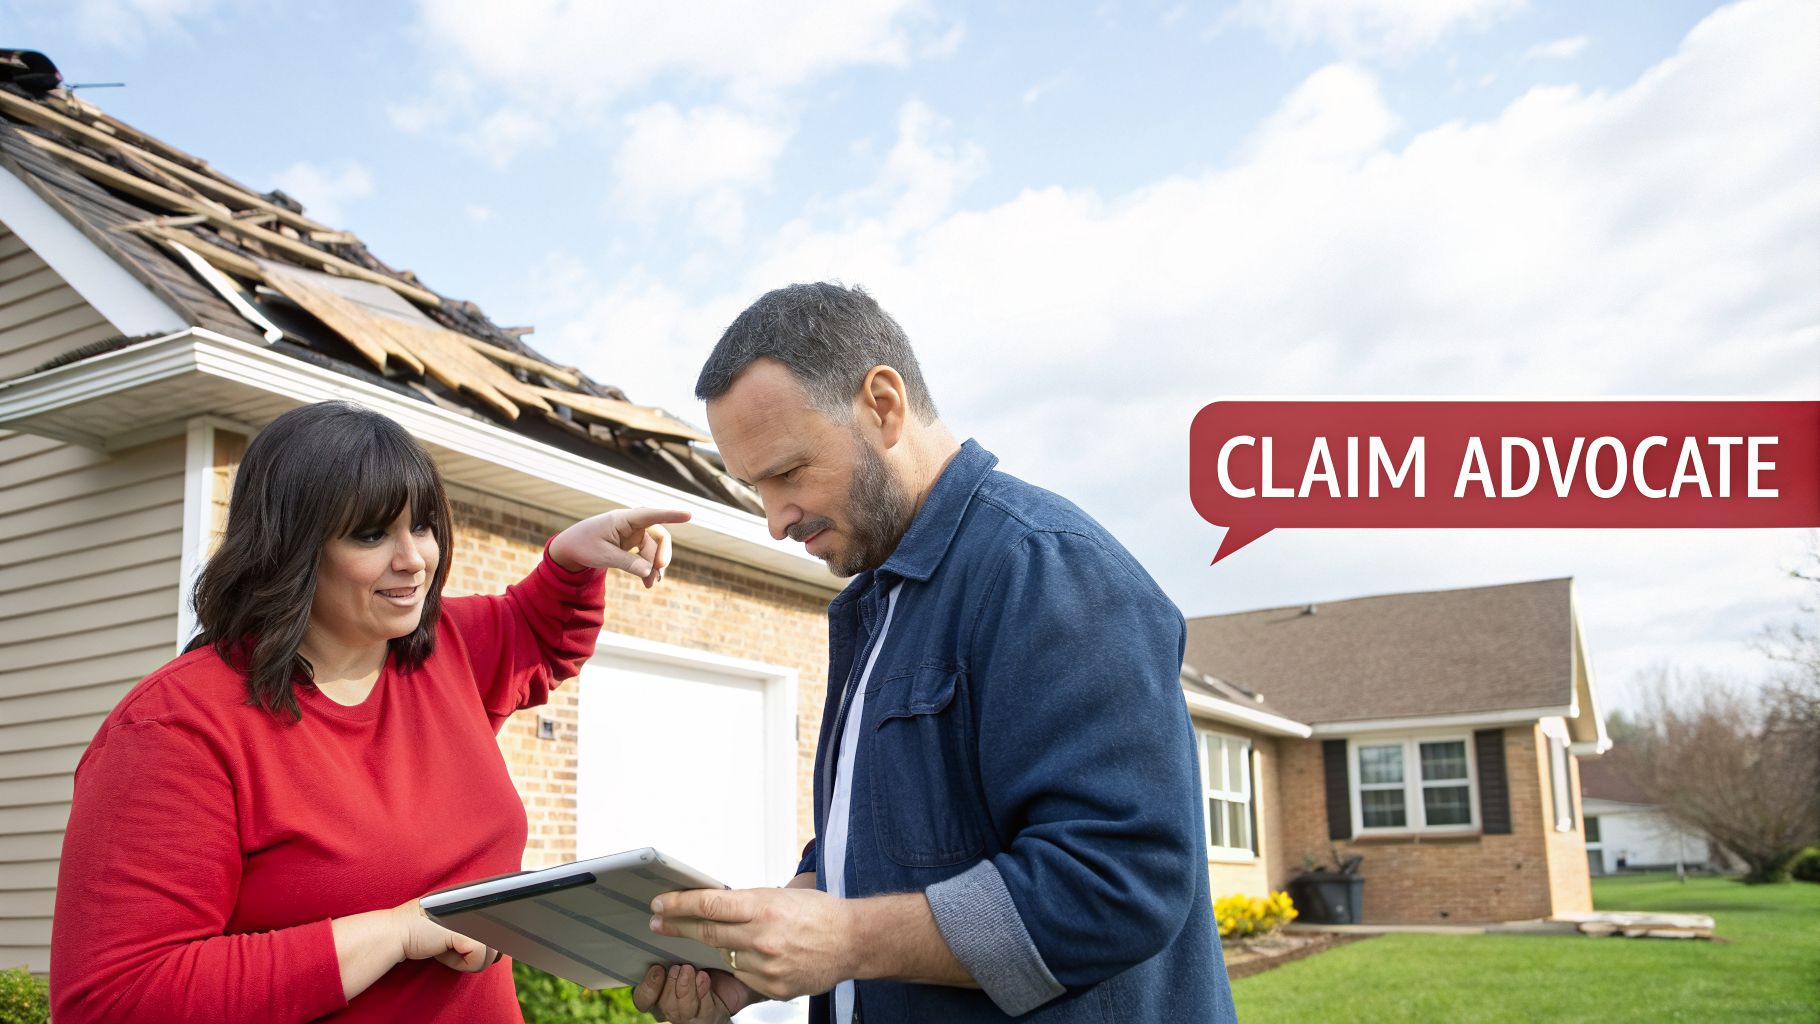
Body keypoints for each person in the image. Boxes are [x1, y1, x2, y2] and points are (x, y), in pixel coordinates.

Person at [633, 284, 1235, 1023]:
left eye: (788, 473)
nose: (775, 520)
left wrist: (851, 939)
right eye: (757, 487)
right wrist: (763, 953)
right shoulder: (879, 601)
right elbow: (887, 839)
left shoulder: (1044, 568)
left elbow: (1120, 879)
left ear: (883, 404)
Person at [49, 400, 690, 1023]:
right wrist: (396, 933)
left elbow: (538, 634)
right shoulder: (177, 728)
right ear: (291, 546)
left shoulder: (440, 650)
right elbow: (113, 999)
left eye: (422, 526)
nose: (414, 559)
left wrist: (571, 559)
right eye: (371, 534)